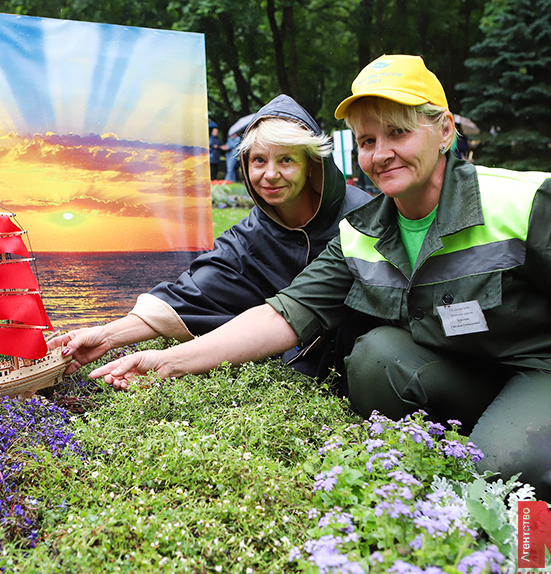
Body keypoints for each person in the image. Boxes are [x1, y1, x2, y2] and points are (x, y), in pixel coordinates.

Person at [92, 55, 551, 510]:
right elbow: (281, 314)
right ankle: (462, 478)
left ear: (443, 130)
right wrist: (166, 362)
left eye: (398, 133)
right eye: (368, 141)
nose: (381, 153)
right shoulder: (363, 231)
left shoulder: (525, 199)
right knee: (374, 358)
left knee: (512, 466)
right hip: (472, 369)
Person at [49, 94, 372, 378]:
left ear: (312, 164)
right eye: (259, 160)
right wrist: (107, 336)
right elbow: (191, 294)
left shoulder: (362, 218)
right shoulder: (250, 235)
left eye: (286, 160)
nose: (270, 174)